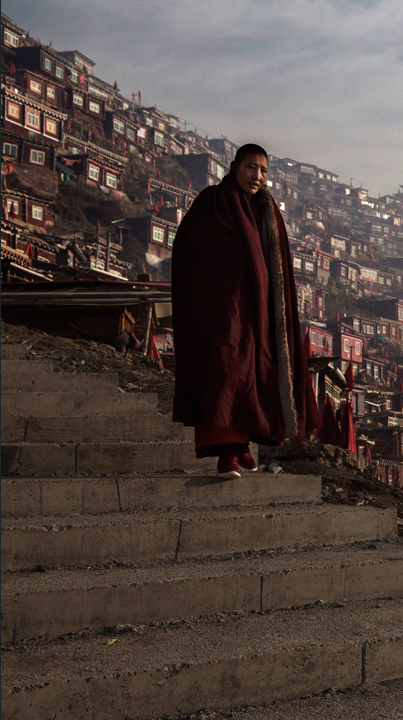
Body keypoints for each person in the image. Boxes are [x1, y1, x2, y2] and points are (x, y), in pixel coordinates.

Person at [171, 143, 320, 478]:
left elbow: (277, 265)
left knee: (256, 380)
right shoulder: (213, 201)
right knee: (226, 376)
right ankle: (227, 454)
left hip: (261, 313)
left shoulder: (267, 210)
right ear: (234, 166)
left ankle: (241, 447)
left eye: (264, 170)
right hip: (223, 310)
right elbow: (189, 246)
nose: (257, 176)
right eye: (251, 167)